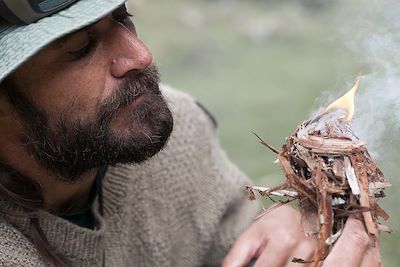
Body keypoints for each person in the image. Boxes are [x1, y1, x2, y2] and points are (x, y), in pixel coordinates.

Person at [0, 0, 382, 266]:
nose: (140, 55)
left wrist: (299, 231)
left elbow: (240, 240)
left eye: (123, 16)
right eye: (80, 47)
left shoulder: (170, 129)